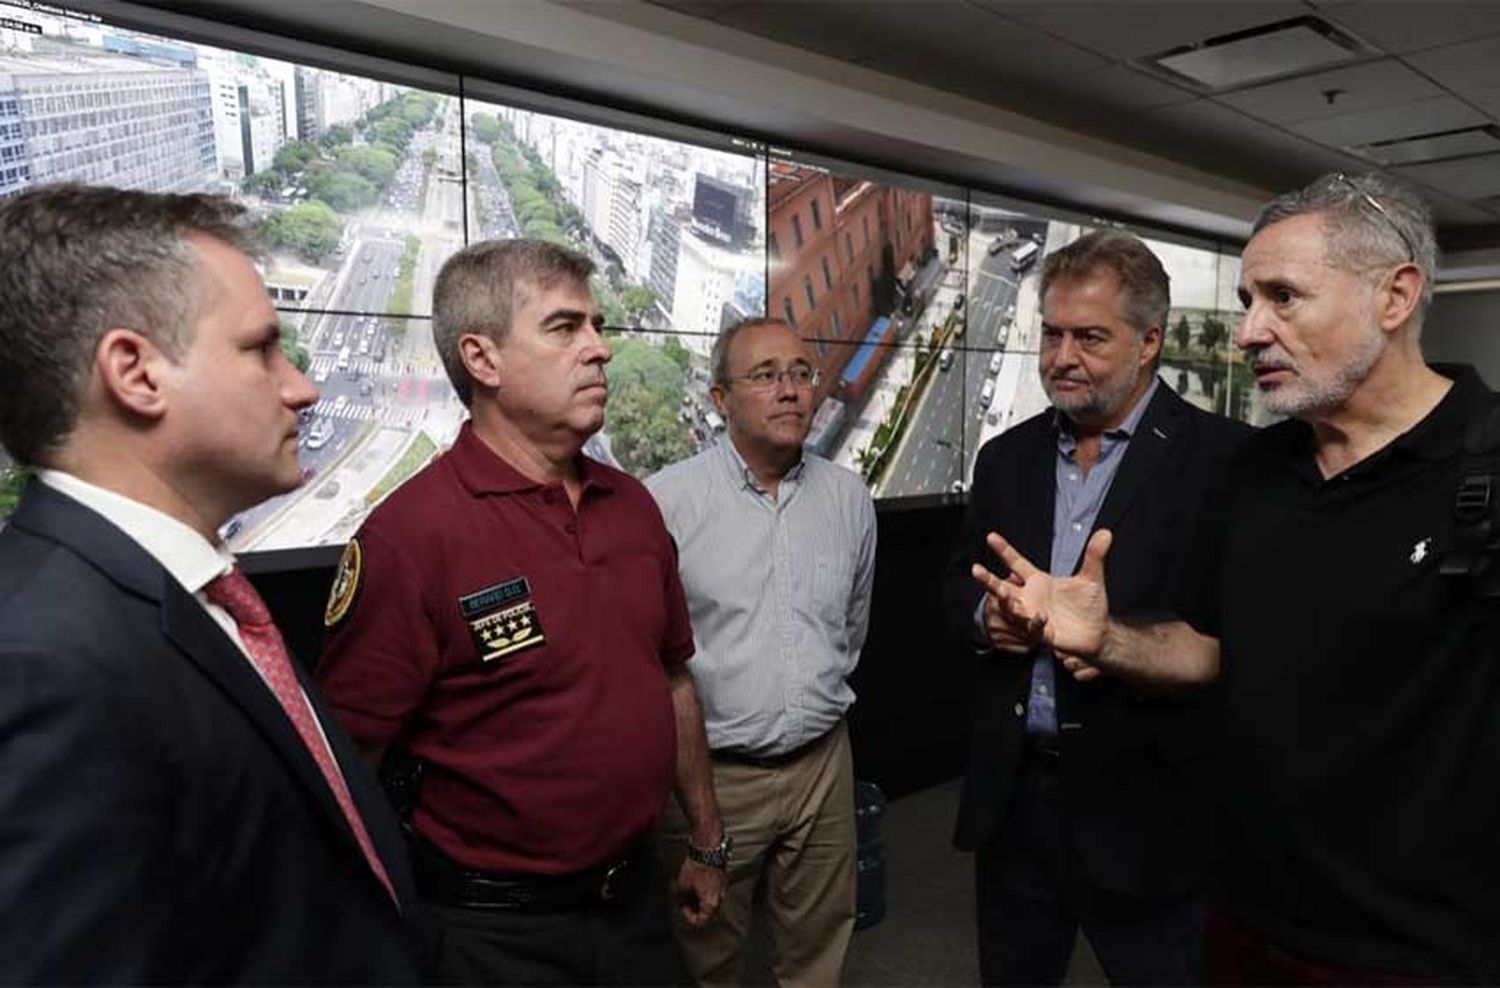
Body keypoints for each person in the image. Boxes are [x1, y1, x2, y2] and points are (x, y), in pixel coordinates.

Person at [977, 173, 1500, 983]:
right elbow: (1211, 648)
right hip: (1243, 920)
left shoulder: (1488, 469)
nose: (1249, 331)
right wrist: (1105, 638)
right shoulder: (1251, 471)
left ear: (1395, 297)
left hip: (1424, 953)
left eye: (1282, 298)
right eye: (1248, 299)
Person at [0, 184, 418, 983]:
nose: (303, 386)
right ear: (136, 372)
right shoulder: (37, 660)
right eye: (261, 348)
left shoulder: (197, 596)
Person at [316, 238, 724, 985]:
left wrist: (705, 837)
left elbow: (672, 679)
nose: (600, 349)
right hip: (489, 938)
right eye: (566, 328)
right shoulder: (412, 537)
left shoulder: (632, 507)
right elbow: (349, 766)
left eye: (598, 326)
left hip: (636, 910)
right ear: (483, 359)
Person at [944, 229, 1246, 984]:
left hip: (1149, 816)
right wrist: (990, 620)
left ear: (1150, 342)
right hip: (1015, 808)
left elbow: (1233, 641)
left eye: (1089, 338)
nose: (1060, 357)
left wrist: (1106, 638)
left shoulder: (1228, 464)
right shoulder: (1003, 458)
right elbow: (958, 583)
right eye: (1051, 333)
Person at [647, 316, 877, 987]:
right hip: (711, 780)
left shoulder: (849, 499)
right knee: (704, 960)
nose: (790, 391)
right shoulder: (667, 504)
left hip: (822, 768)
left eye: (801, 373)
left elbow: (850, 632)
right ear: (720, 400)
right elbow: (651, 662)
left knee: (818, 956)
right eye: (765, 376)